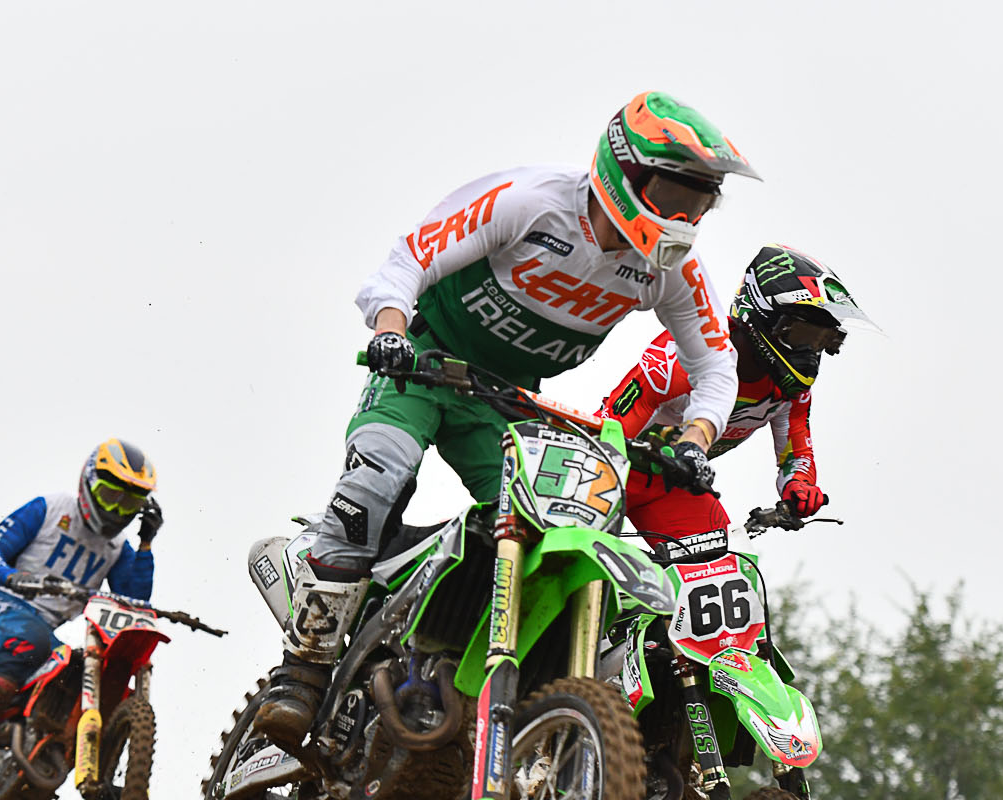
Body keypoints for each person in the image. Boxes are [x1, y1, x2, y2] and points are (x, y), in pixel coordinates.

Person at [252, 91, 757, 747]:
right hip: (423, 365)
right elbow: (410, 258)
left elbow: (715, 364)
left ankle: (460, 674)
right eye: (674, 197)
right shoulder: (531, 203)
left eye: (699, 204)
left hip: (506, 400)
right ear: (624, 172)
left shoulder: (670, 271)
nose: (685, 219)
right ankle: (303, 670)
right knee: (375, 481)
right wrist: (391, 331)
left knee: (553, 530)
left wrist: (695, 438)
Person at [600, 245, 871, 557]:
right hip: (609, 470)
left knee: (729, 567)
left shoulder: (791, 393)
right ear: (762, 316)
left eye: (821, 342)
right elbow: (607, 435)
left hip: (672, 486)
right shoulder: (681, 357)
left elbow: (797, 454)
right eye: (802, 336)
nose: (809, 354)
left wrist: (798, 485)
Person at [0, 440, 162, 795]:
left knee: (75, 673)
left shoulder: (117, 548)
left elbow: (132, 600)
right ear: (89, 482)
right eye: (110, 496)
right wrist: (11, 576)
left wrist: (146, 545)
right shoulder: (51, 509)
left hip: (42, 631)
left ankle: (28, 768)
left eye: (128, 503)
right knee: (33, 643)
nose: (116, 510)